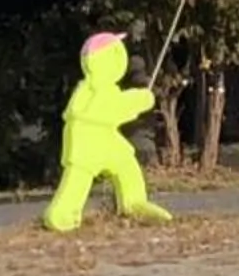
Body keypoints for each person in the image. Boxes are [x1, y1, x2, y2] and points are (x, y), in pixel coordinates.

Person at [41, 32, 171, 232]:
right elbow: (115, 108)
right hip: (87, 138)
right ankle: (61, 213)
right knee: (78, 177)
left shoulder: (92, 88)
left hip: (105, 136)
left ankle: (134, 202)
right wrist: (142, 99)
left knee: (126, 165)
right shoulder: (95, 89)